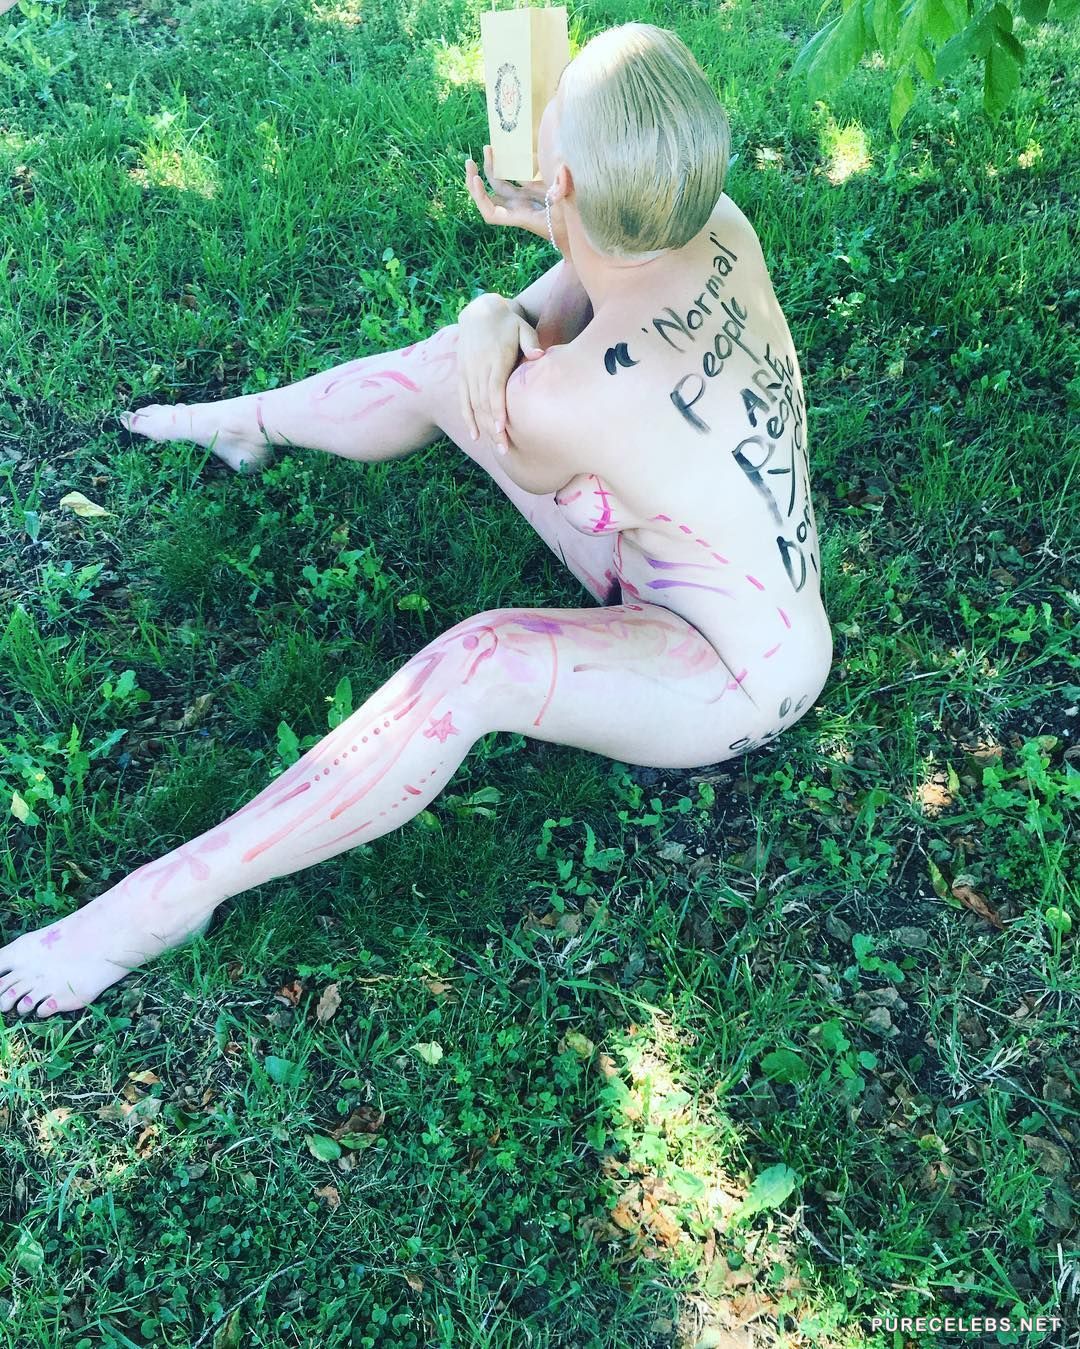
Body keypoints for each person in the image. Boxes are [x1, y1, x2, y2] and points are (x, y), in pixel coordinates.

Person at [0, 23, 832, 1019]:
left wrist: (487, 316)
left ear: (567, 181)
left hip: (734, 675)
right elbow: (593, 292)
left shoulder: (571, 401)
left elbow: (513, 389)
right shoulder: (717, 219)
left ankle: (166, 898)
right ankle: (243, 423)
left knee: (478, 663)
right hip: (696, 562)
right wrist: (552, 234)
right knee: (450, 364)